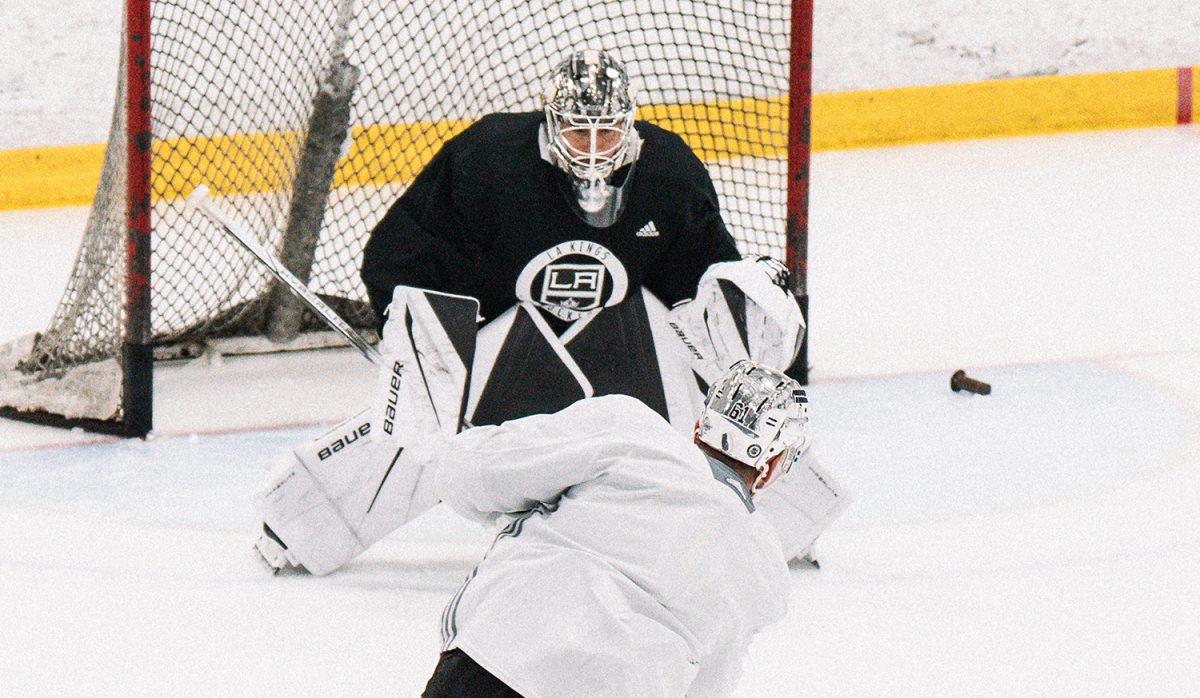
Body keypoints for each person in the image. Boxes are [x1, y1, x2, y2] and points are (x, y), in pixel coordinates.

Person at [421, 360, 819, 697]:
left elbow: (468, 474)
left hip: (500, 655)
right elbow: (708, 685)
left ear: (699, 425)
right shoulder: (765, 569)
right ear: (769, 470)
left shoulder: (628, 428)